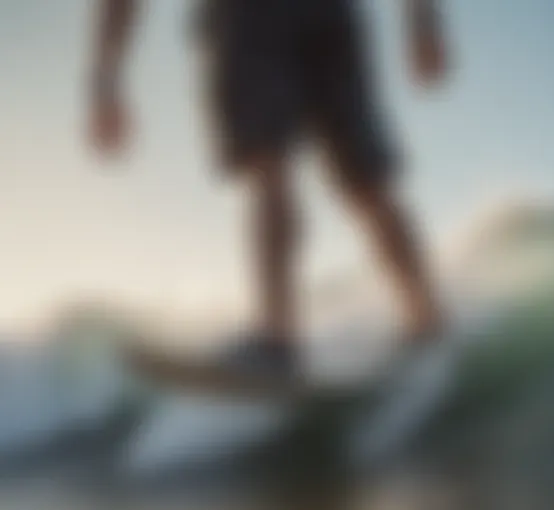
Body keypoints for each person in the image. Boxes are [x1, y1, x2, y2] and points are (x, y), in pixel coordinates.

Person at [88, 0, 450, 377]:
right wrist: (422, 19)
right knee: (360, 184)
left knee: (309, 173)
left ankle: (282, 341)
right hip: (315, 17)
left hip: (260, 19)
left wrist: (105, 80)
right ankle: (428, 326)